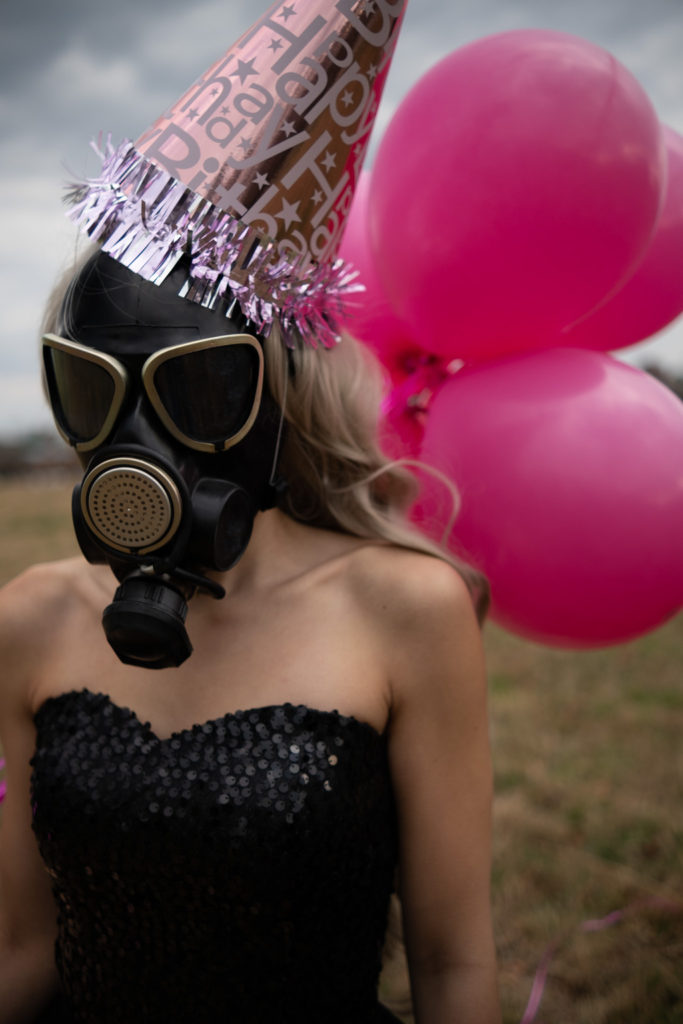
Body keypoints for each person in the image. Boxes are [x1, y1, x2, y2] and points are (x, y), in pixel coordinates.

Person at [0, 1, 501, 1020]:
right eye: (93, 388)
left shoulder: (403, 609)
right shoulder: (31, 619)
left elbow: (453, 966)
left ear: (276, 397)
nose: (137, 436)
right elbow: (20, 948)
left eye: (196, 386)